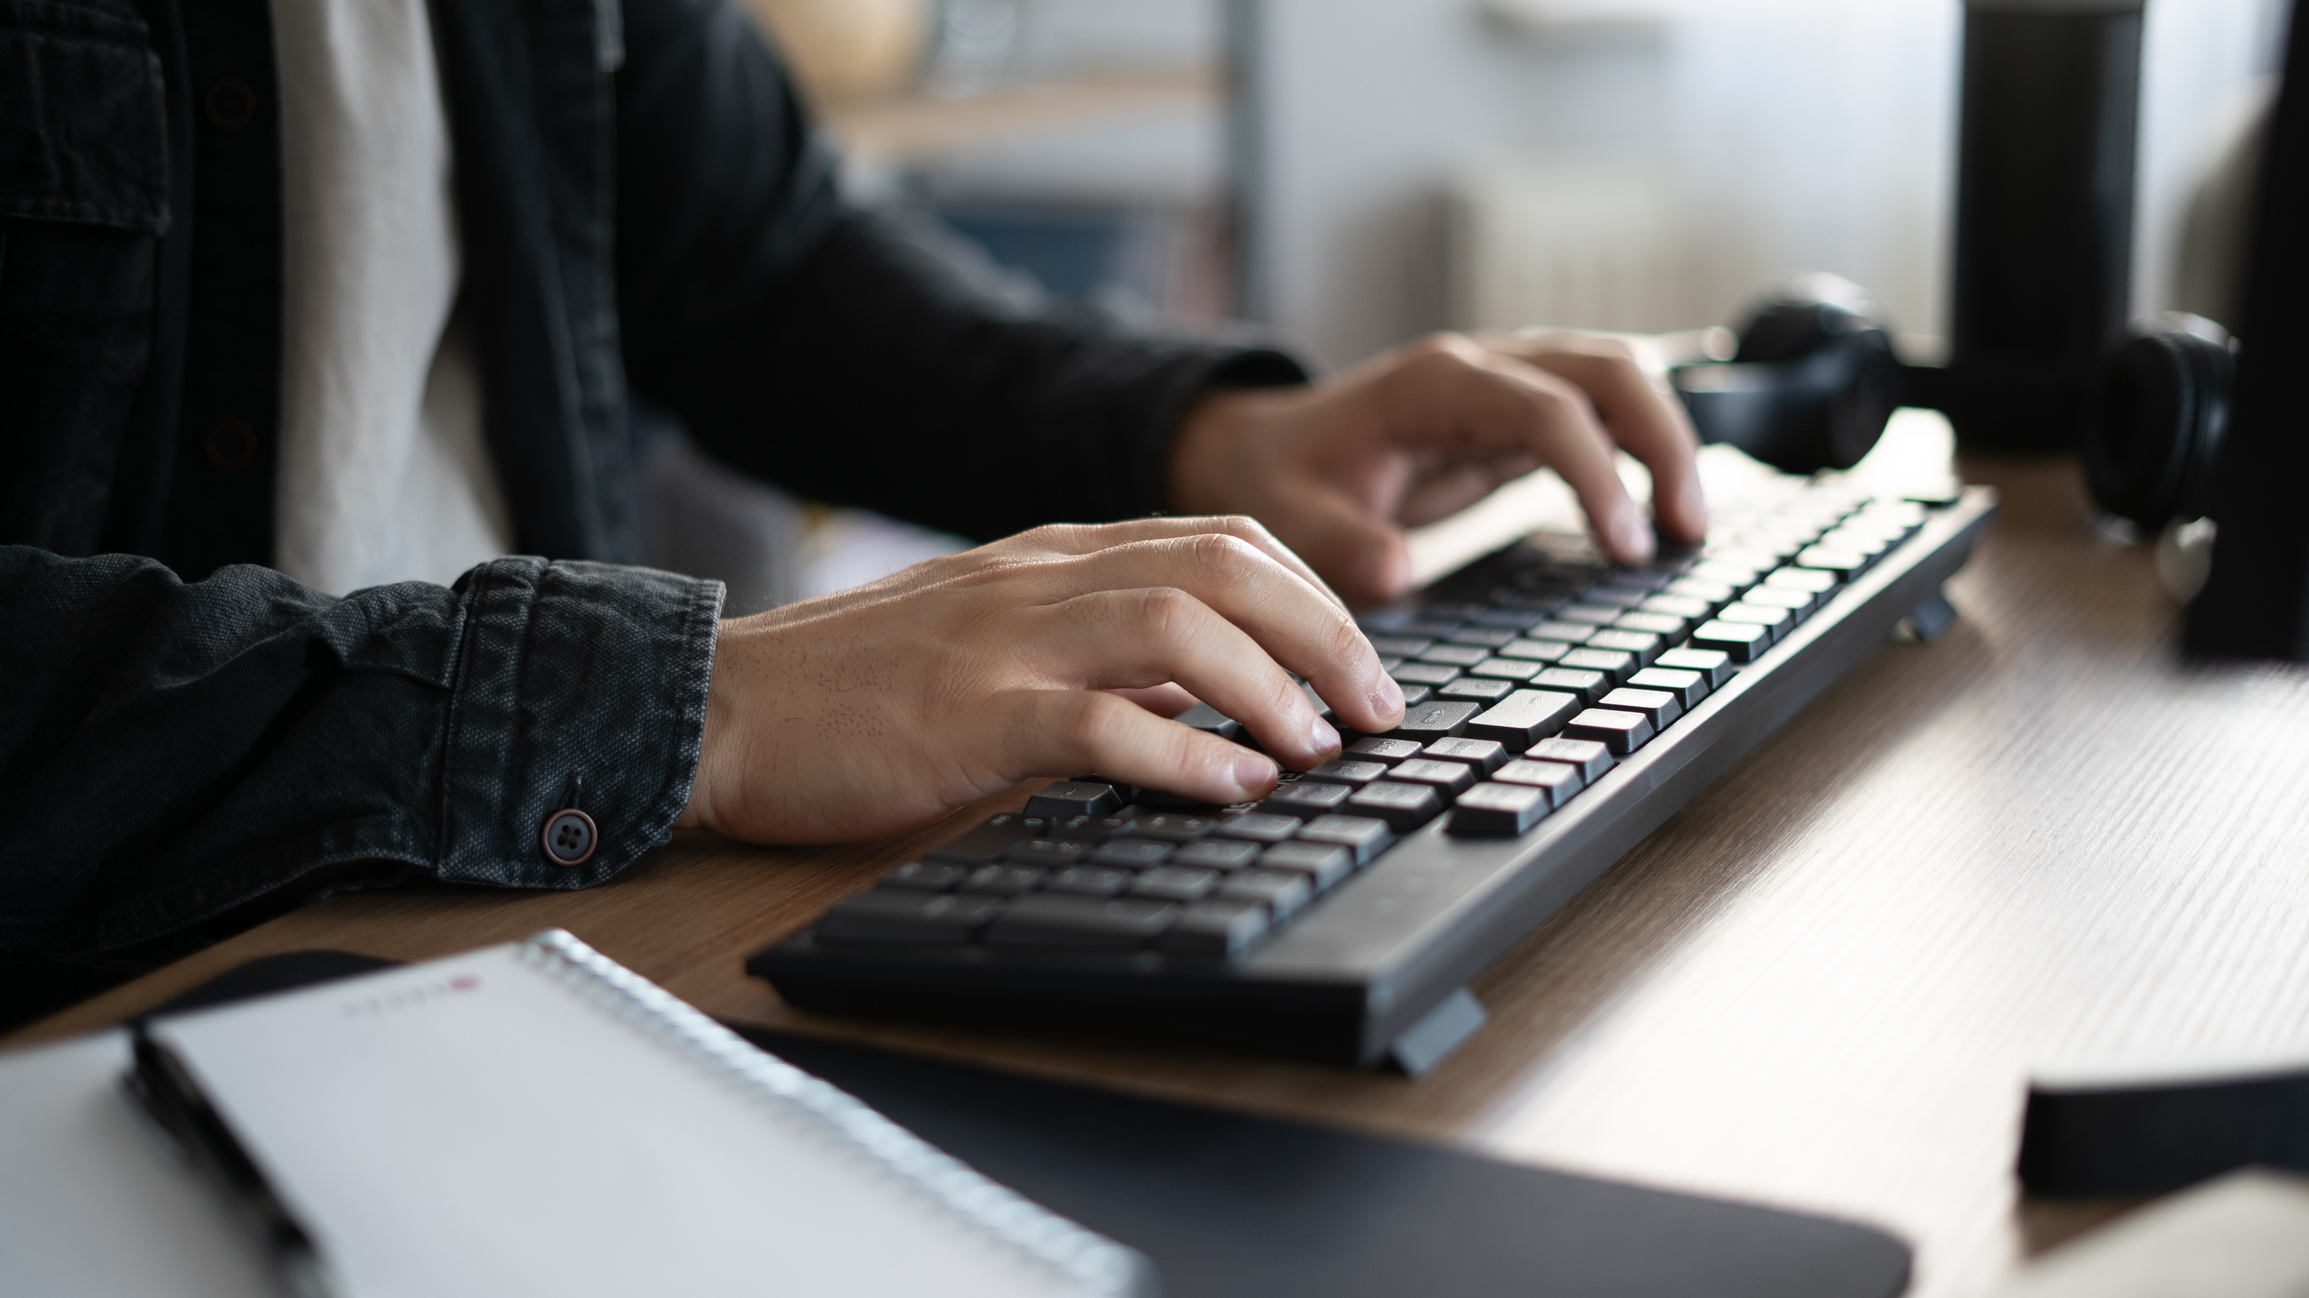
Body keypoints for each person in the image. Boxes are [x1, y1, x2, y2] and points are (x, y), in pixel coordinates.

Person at [0, 0, 1703, 1023]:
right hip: (133, 990)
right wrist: (702, 703)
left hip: (561, 913)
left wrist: (1221, 437)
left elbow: (757, 266)